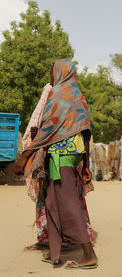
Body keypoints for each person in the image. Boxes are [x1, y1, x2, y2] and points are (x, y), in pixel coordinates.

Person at [12, 60, 97, 268]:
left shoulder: (57, 94)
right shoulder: (78, 96)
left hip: (60, 156)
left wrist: (24, 157)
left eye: (52, 72)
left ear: (60, 73)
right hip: (74, 155)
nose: (51, 76)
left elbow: (46, 129)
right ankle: (55, 252)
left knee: (67, 203)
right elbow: (86, 132)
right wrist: (85, 164)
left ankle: (89, 254)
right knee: (51, 201)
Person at [22, 83, 94, 252]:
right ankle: (48, 238)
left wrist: (86, 164)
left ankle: (76, 241)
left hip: (63, 159)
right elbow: (39, 127)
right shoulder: (54, 102)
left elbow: (83, 134)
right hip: (48, 159)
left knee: (67, 199)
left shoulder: (71, 103)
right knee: (47, 198)